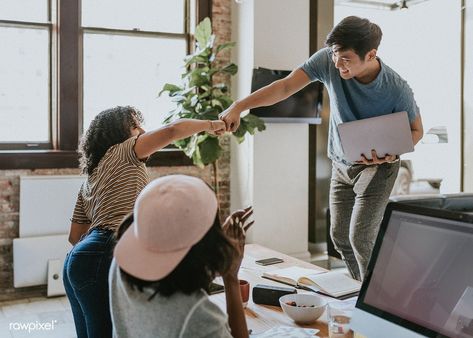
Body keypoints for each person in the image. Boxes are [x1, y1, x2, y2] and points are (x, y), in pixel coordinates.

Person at [220, 16, 424, 281]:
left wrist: (394, 152)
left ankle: (376, 304)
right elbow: (285, 86)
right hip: (342, 164)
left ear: (371, 54)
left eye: (346, 57)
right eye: (336, 54)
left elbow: (417, 130)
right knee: (339, 238)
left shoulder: (396, 88)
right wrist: (239, 105)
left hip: (379, 168)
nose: (338, 63)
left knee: (360, 238)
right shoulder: (329, 60)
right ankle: (362, 291)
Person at [63, 106, 225, 338]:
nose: (142, 130)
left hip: (77, 260)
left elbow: (74, 236)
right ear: (118, 135)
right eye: (135, 126)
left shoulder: (91, 176)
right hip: (104, 251)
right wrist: (212, 125)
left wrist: (92, 252)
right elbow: (172, 131)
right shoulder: (122, 151)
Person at [109, 175, 253, 338]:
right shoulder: (198, 317)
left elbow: (174, 268)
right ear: (206, 241)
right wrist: (230, 277)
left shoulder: (121, 265)